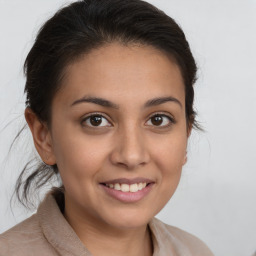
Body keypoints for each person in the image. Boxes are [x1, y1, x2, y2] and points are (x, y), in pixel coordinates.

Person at [0, 0, 214, 255]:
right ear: (44, 137)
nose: (132, 155)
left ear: (186, 132)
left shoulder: (195, 251)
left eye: (158, 119)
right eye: (96, 120)